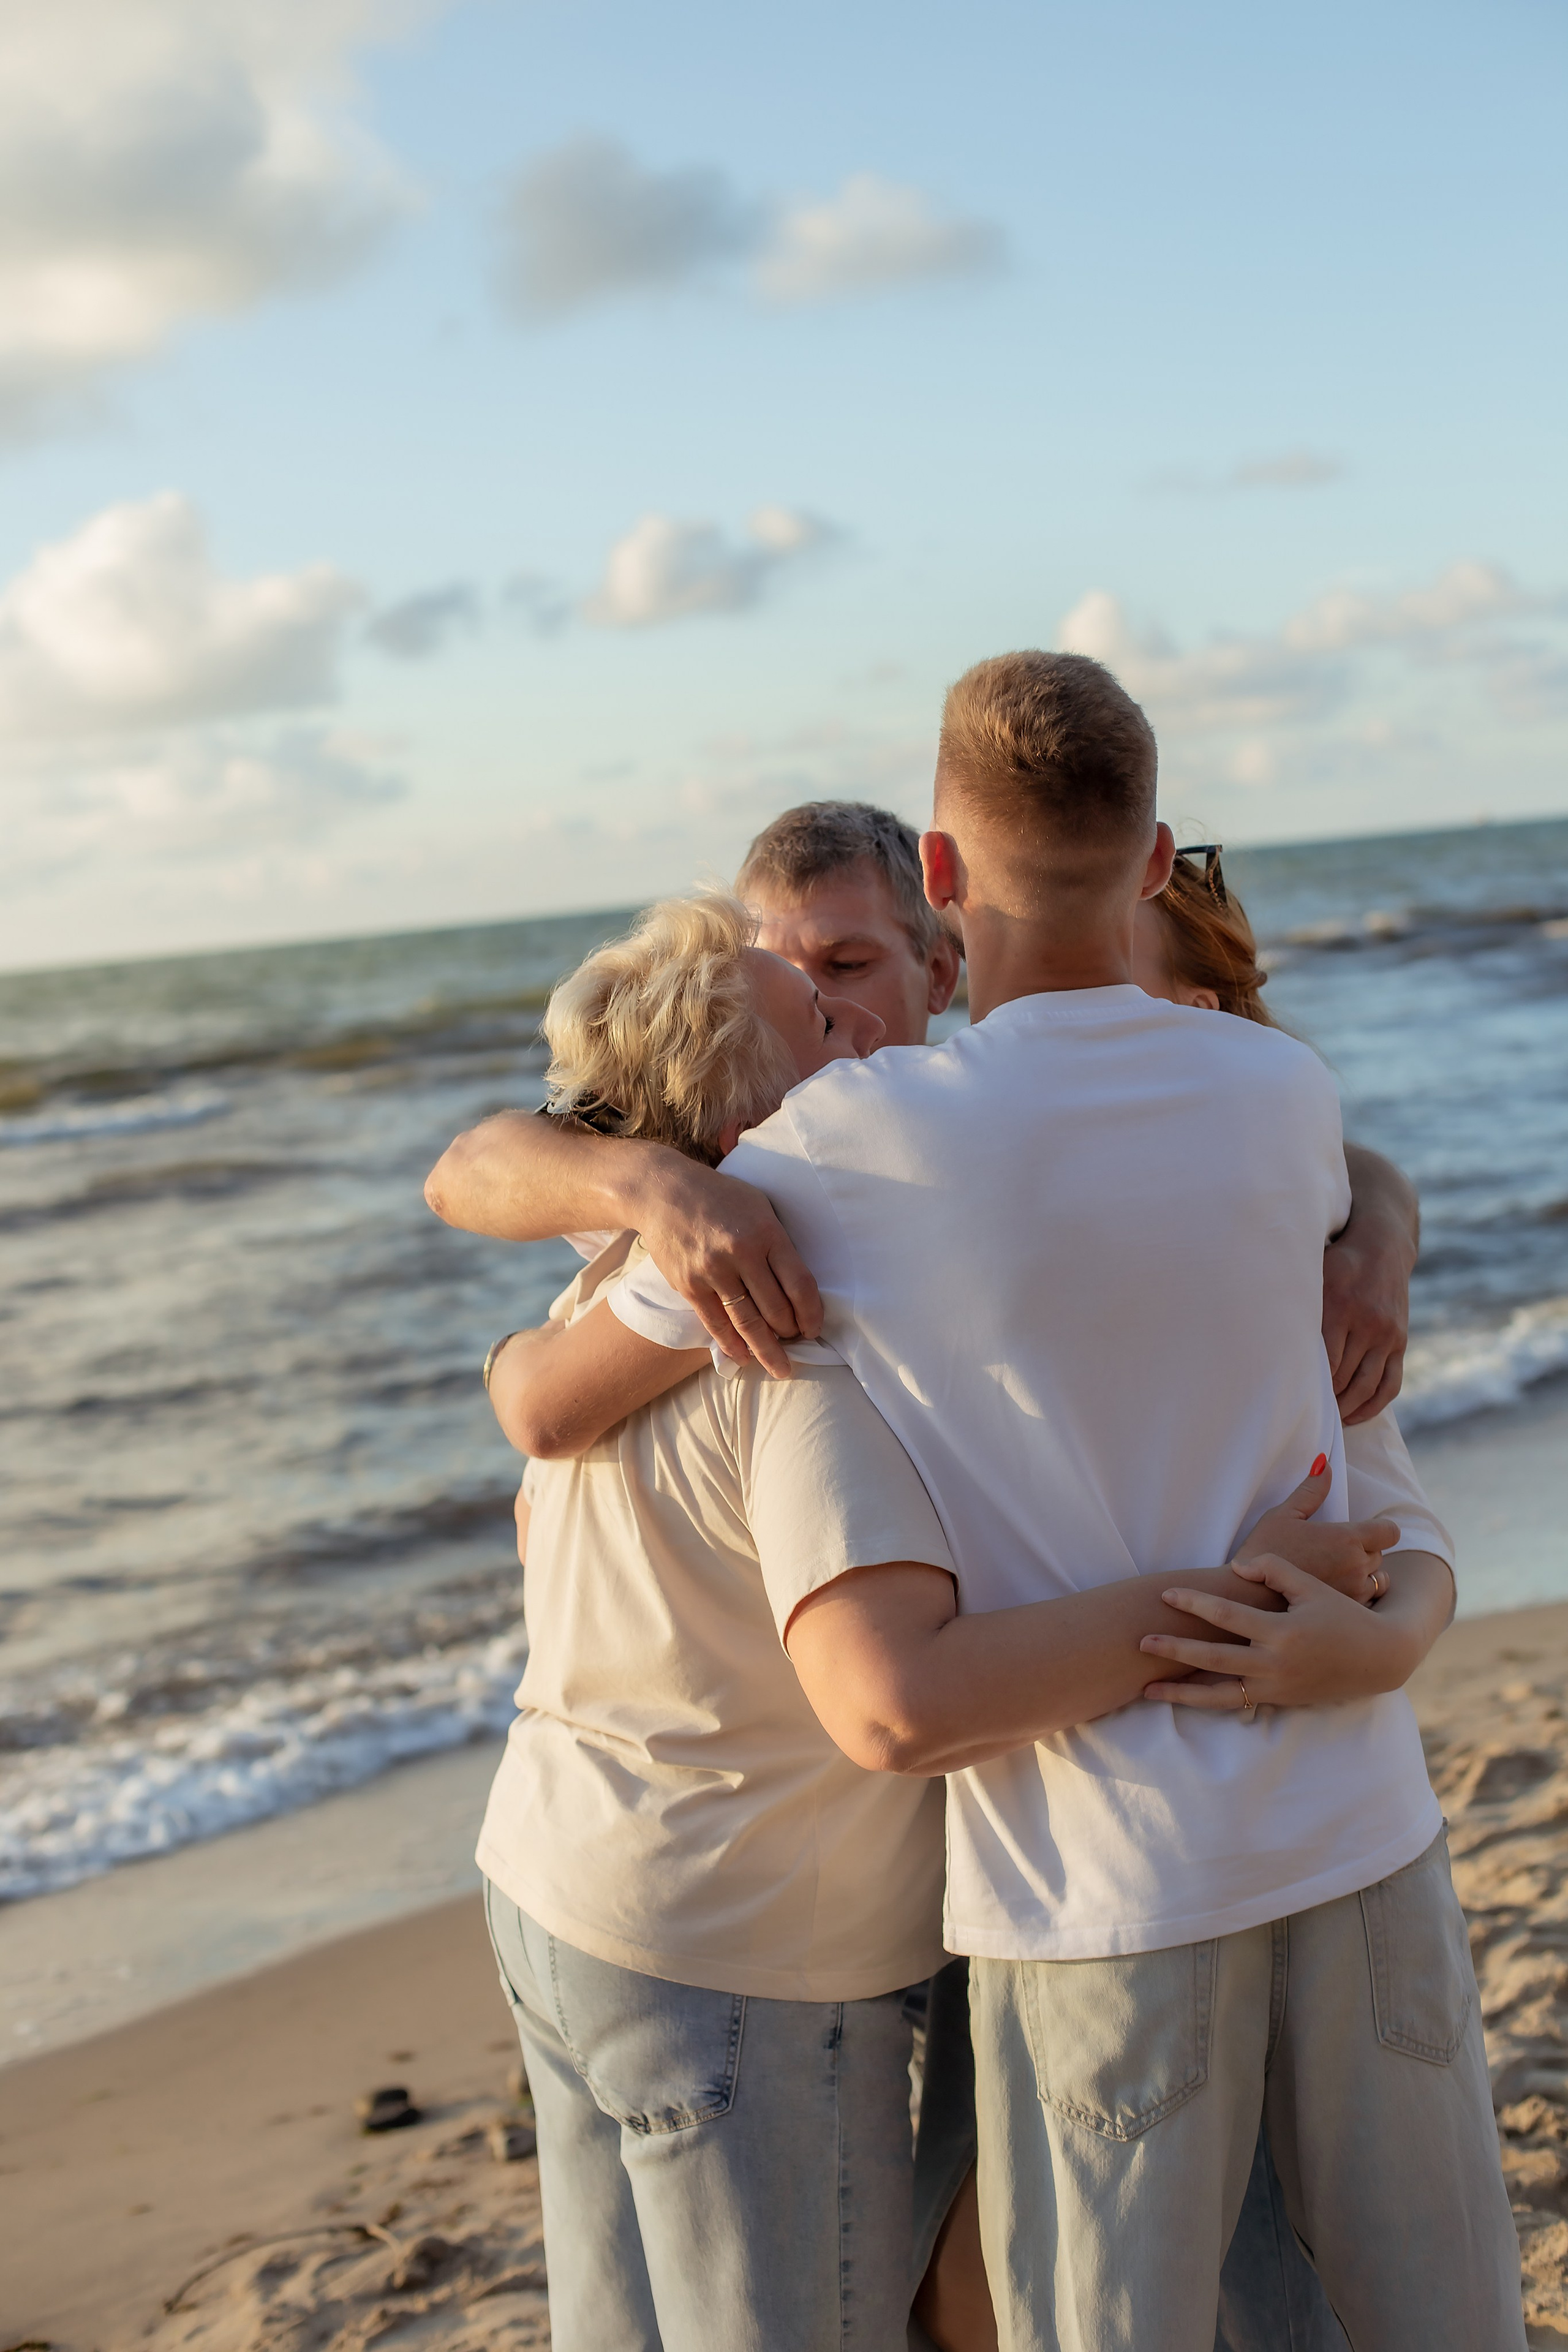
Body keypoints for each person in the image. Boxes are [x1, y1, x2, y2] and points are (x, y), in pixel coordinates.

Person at [494, 655, 1518, 2350]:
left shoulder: (845, 1150)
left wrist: (629, 1179)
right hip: (1361, 1826)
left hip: (1101, 1882)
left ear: (942, 881)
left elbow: (542, 1396)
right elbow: (1341, 1211)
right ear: (1156, 858)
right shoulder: (1287, 1099)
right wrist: (1388, 1231)